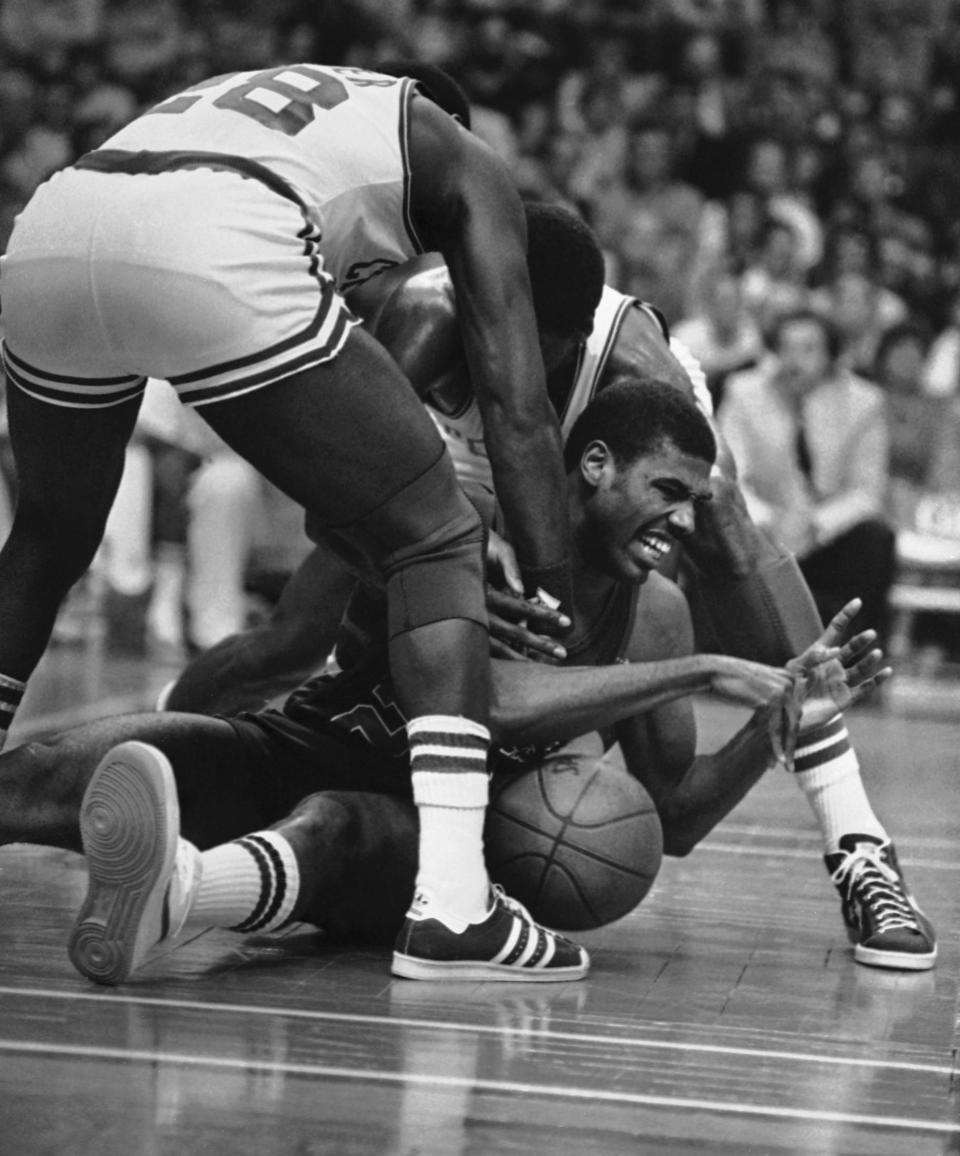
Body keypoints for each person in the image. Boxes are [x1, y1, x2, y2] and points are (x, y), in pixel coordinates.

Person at [162, 226, 935, 970]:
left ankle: (860, 850)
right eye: (489, 330)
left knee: (733, 562)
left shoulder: (635, 374)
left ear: (568, 341)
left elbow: (735, 555)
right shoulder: (427, 316)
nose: (504, 357)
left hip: (583, 477)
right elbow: (330, 505)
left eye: (528, 344)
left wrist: (786, 688)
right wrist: (423, 561)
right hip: (441, 477)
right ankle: (173, 773)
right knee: (298, 638)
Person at [0, 378, 890, 987]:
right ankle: (156, 876)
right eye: (667, 489)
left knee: (344, 827)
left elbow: (678, 816)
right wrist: (695, 672)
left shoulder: (655, 614)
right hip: (304, 739)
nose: (684, 520)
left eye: (696, 501)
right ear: (595, 467)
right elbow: (479, 695)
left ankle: (174, 897)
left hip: (435, 841)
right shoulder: (465, 522)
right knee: (77, 766)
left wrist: (769, 724)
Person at [0, 62, 585, 982]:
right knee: (438, 533)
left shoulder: (299, 103)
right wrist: (557, 592)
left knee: (47, 537)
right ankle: (456, 905)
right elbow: (519, 411)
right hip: (213, 233)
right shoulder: (463, 161)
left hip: (53, 223)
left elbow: (335, 496)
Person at [718, 307, 896, 646]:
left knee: (876, 536)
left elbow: (867, 491)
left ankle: (854, 652)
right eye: (786, 348)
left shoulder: (865, 401)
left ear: (831, 354)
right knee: (724, 524)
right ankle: (745, 650)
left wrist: (817, 524)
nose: (794, 359)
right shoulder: (743, 392)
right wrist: (768, 520)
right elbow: (729, 474)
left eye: (808, 348)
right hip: (763, 528)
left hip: (829, 531)